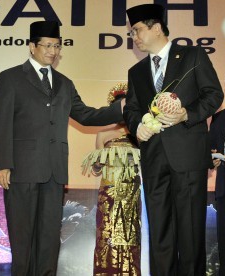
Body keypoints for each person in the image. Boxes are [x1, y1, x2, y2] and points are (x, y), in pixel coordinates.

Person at [0, 21, 124, 276]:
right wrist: (3, 164)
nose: (53, 51)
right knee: (22, 238)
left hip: (54, 170)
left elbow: (86, 115)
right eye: (48, 46)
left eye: (57, 46)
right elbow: (2, 123)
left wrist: (122, 109)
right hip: (21, 169)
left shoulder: (64, 82)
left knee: (49, 238)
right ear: (32, 47)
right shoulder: (10, 77)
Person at [124, 4, 223, 275]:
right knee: (160, 232)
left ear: (156, 27)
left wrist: (185, 115)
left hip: (188, 156)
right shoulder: (137, 72)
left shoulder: (192, 56)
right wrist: (137, 128)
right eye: (132, 32)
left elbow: (214, 95)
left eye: (137, 30)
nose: (134, 37)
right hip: (154, 159)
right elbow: (131, 109)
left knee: (190, 233)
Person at [82, 83, 142, 275]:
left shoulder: (139, 134)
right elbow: (96, 170)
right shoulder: (103, 134)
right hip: (108, 194)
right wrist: (99, 162)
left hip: (131, 192)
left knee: (130, 235)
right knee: (106, 235)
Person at [210, 108, 225, 276]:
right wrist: (213, 158)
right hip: (224, 188)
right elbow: (212, 147)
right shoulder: (219, 117)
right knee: (224, 239)